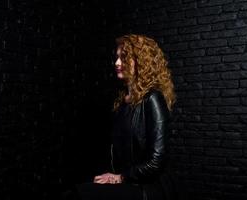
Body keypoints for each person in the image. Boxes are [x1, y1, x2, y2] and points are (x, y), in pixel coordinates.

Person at [62, 34, 177, 200]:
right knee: (72, 193)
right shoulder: (122, 101)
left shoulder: (153, 98)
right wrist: (114, 177)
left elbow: (156, 162)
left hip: (148, 187)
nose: (117, 63)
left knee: (78, 195)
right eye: (117, 57)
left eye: (124, 57)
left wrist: (120, 178)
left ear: (141, 61)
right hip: (127, 180)